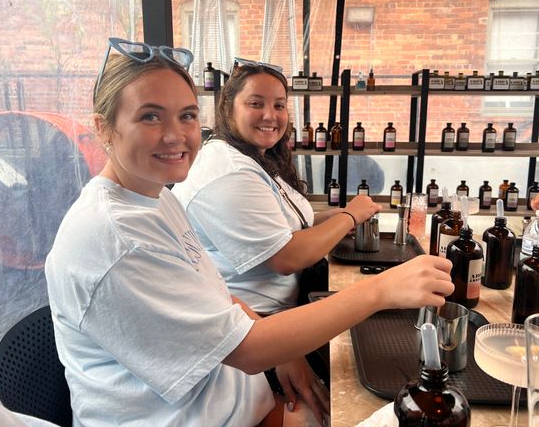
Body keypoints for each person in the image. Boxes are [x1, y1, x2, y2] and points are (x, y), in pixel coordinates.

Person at [45, 38, 454, 427]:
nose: (176, 134)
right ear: (103, 128)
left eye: (186, 115)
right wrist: (379, 290)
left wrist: (282, 354)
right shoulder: (116, 238)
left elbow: (214, 294)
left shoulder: (152, 197)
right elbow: (249, 346)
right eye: (150, 116)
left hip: (234, 396)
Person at [172, 63, 381, 316]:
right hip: (253, 318)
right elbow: (286, 257)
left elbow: (282, 221)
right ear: (228, 107)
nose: (270, 116)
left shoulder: (251, 156)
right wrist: (351, 216)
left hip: (281, 305)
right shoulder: (229, 172)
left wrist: (338, 216)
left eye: (279, 105)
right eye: (256, 104)